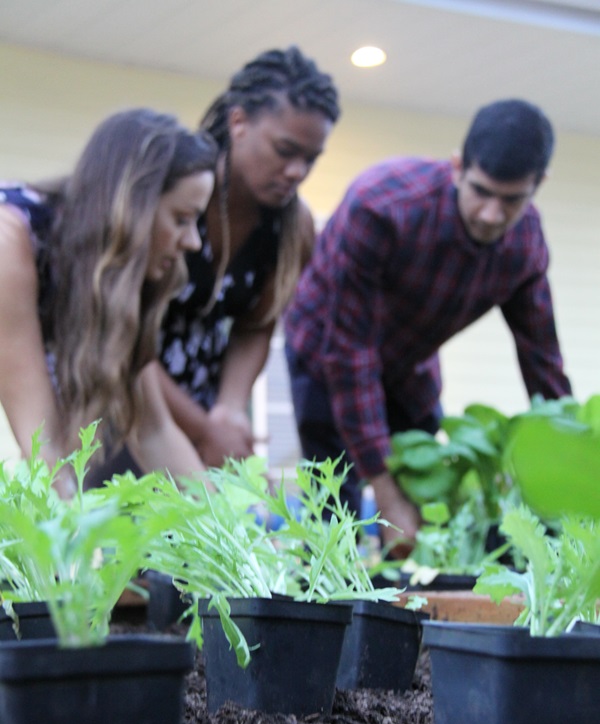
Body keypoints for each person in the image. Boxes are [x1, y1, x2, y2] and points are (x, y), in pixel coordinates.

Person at [284, 98, 572, 554]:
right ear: (457, 167)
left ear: (539, 185)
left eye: (512, 199)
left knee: (425, 500)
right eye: (481, 191)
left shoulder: (524, 245)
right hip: (325, 354)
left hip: (408, 366)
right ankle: (328, 578)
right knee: (335, 507)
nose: (491, 214)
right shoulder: (382, 206)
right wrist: (383, 489)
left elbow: (543, 363)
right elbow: (350, 352)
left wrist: (571, 459)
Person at [0, 108, 218, 495]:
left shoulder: (106, 277)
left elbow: (155, 431)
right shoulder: (11, 237)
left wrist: (229, 524)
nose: (193, 242)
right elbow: (42, 445)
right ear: (132, 207)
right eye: (182, 218)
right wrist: (76, 530)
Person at [155, 46, 340, 468]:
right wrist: (204, 430)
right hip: (124, 393)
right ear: (238, 122)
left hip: (203, 404)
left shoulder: (293, 227)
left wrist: (229, 409)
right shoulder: (171, 193)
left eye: (310, 159)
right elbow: (121, 335)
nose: (297, 171)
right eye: (285, 149)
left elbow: (256, 325)